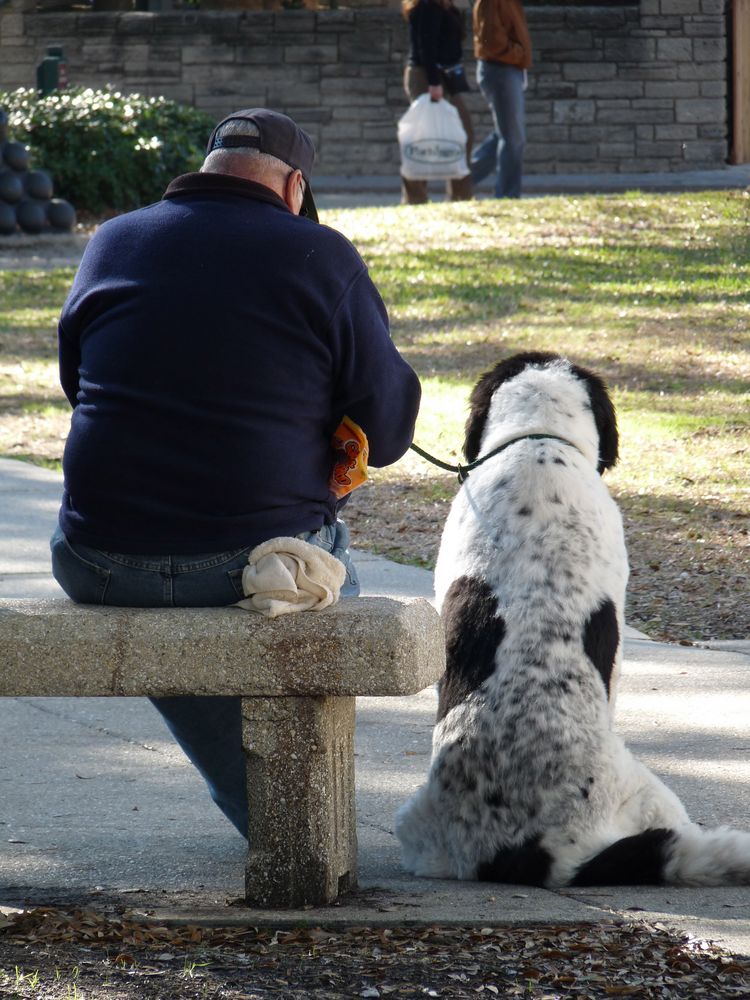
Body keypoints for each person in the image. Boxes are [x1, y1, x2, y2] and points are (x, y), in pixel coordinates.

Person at [50, 108, 421, 837]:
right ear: (294, 187)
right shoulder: (320, 254)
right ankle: (288, 819)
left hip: (94, 560)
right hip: (242, 567)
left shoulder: (114, 240)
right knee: (327, 572)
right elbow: (390, 433)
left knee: (176, 598)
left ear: (209, 164)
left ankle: (263, 808)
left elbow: (79, 380)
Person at [401, 0, 474, 204]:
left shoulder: (445, 6)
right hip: (426, 76)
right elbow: (427, 45)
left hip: (445, 75)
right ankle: (415, 198)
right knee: (421, 138)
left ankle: (460, 196)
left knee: (463, 133)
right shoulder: (428, 6)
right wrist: (434, 82)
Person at [471, 0, 532, 199]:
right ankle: (507, 195)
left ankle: (462, 180)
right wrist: (519, 54)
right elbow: (492, 40)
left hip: (508, 68)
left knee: (507, 134)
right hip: (501, 68)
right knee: (513, 138)